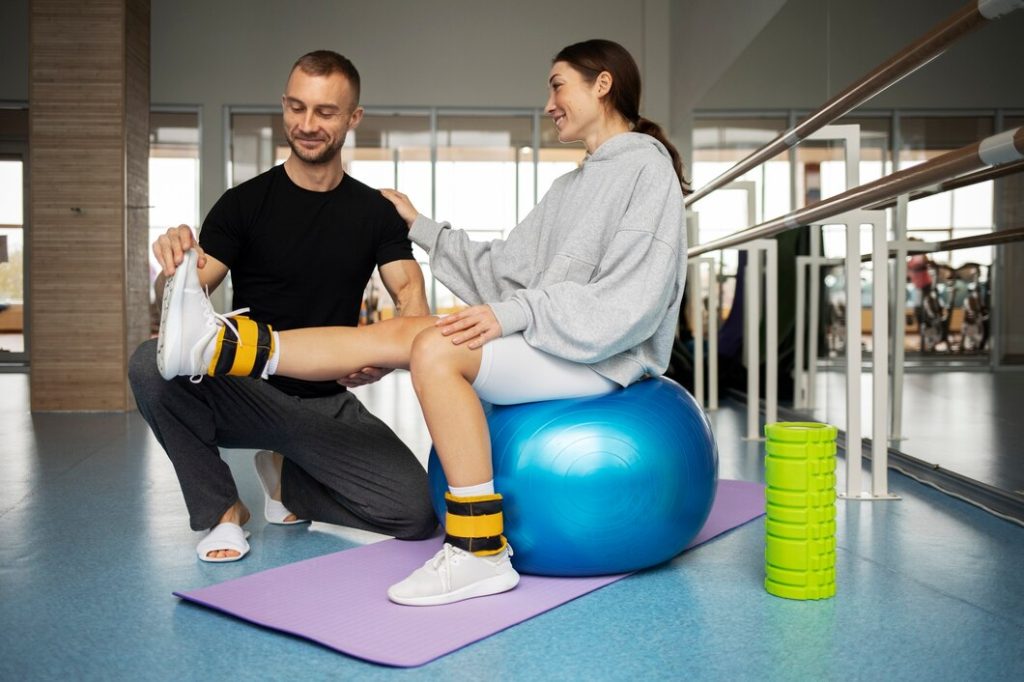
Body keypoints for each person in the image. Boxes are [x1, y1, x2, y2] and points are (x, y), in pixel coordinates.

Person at [159, 39, 690, 604]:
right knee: (412, 333)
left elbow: (630, 301)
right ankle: (219, 350)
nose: (549, 103)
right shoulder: (574, 185)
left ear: (602, 84)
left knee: (434, 348)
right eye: (296, 107)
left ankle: (479, 552)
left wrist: (514, 313)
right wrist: (423, 226)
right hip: (559, 344)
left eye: (558, 86)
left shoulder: (645, 169)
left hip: (603, 357)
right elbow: (507, 270)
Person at [129, 50, 437, 564]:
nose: (307, 124)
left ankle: (285, 480)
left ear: (353, 117)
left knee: (415, 514)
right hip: (245, 389)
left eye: (325, 112)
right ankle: (223, 512)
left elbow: (410, 296)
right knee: (148, 363)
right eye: (297, 107)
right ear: (284, 105)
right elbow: (189, 290)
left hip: (325, 399)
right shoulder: (243, 204)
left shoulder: (374, 212)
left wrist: (386, 357)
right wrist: (175, 266)